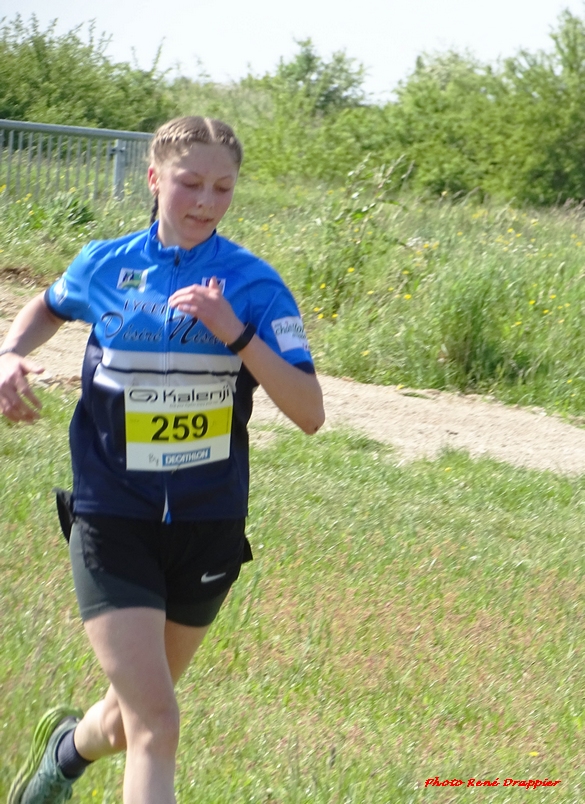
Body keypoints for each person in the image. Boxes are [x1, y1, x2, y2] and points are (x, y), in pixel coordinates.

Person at [1, 115, 325, 804]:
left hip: (207, 522)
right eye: (189, 183)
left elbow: (309, 413)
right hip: (111, 514)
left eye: (222, 187)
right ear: (153, 179)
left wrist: (233, 332)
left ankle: (65, 753)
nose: (205, 201)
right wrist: (9, 352)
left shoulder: (255, 285)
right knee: (159, 722)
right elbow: (51, 305)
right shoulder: (104, 263)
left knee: (130, 717)